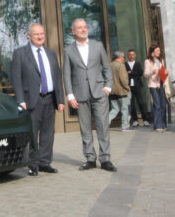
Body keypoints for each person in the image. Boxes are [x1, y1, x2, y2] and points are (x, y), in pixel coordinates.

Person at [11, 23, 65, 176]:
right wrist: (21, 101)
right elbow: (16, 79)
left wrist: (60, 99)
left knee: (48, 132)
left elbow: (57, 78)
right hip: (31, 100)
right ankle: (32, 164)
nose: (40, 36)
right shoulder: (20, 53)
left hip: (50, 98)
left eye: (42, 34)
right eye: (36, 34)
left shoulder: (51, 53)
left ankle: (44, 163)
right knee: (33, 133)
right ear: (29, 36)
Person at [63, 18, 117, 172]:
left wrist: (107, 87)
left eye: (85, 27)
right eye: (79, 27)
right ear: (73, 31)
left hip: (99, 92)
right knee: (85, 128)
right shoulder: (68, 50)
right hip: (80, 95)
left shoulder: (98, 45)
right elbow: (66, 74)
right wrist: (70, 95)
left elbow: (107, 68)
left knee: (102, 126)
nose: (83, 29)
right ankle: (90, 158)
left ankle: (105, 159)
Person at [144, 45, 169, 133]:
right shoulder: (148, 61)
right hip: (153, 85)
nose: (159, 52)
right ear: (152, 52)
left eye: (159, 50)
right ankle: (158, 126)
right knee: (157, 105)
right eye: (157, 50)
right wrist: (152, 72)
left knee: (163, 105)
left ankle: (163, 125)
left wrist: (166, 72)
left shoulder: (161, 60)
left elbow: (163, 72)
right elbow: (145, 74)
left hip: (161, 84)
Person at [108, 51, 132, 132]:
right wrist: (127, 88)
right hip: (122, 91)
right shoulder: (121, 66)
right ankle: (125, 126)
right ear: (120, 57)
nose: (124, 59)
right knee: (125, 109)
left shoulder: (109, 65)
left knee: (115, 109)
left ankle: (105, 124)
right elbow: (123, 79)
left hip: (112, 91)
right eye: (123, 57)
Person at [126, 49, 150, 127]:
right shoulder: (125, 64)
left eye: (133, 54)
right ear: (128, 55)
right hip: (129, 86)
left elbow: (140, 73)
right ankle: (135, 120)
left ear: (135, 55)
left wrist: (130, 73)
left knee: (140, 102)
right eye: (130, 54)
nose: (131, 56)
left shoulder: (138, 64)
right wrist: (133, 73)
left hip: (138, 85)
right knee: (132, 104)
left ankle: (145, 119)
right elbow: (125, 74)